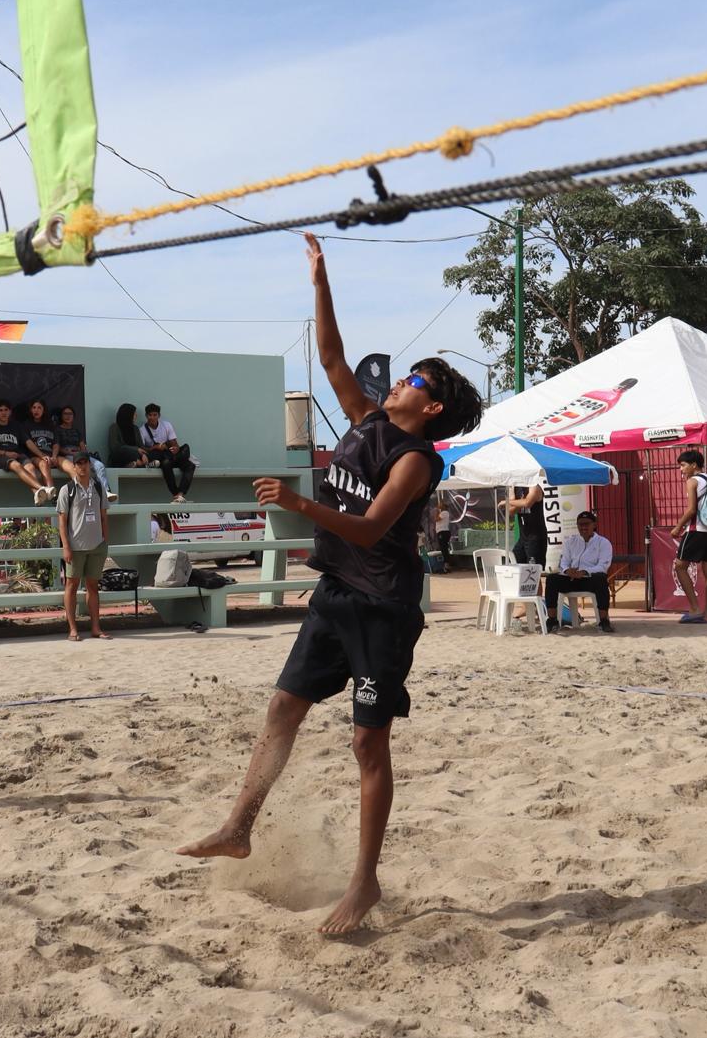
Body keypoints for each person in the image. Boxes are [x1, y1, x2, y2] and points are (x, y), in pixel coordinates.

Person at [177, 233, 482, 936]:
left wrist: (296, 502)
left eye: (418, 381)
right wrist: (320, 277)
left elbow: (372, 528)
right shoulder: (368, 419)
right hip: (337, 593)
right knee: (283, 709)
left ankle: (365, 881)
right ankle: (237, 825)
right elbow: (332, 357)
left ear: (432, 407)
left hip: (383, 608)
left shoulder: (417, 460)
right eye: (408, 375)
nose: (403, 382)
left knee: (367, 746)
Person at [56, 454, 111, 642]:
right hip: (75, 546)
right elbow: (62, 523)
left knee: (93, 586)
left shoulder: (98, 486)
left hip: (97, 545)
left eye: (85, 463)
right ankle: (72, 629)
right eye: (79, 463)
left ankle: (96, 628)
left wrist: (105, 541)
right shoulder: (67, 490)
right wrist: (66, 547)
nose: (83, 467)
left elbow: (104, 515)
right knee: (71, 586)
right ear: (74, 466)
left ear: (89, 465)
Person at [668, 449, 707, 624]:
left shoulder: (692, 481)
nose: (681, 469)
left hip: (696, 529)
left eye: (682, 465)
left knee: (680, 566)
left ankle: (694, 608)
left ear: (693, 465)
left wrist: (677, 527)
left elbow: (691, 510)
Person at [543, 510, 614, 633]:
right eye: (580, 524)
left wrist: (585, 571)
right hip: (571, 578)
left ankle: (603, 621)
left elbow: (603, 566)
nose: (583, 527)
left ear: (594, 525)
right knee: (552, 579)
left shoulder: (603, 543)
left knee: (601, 579)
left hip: (590, 579)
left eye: (586, 524)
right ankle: (552, 620)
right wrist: (567, 570)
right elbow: (564, 561)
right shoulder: (571, 542)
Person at [0, 399, 54, 504]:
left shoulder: (16, 425)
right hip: (0, 457)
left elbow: (28, 442)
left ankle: (37, 495)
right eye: (0, 410)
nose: (3, 412)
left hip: (17, 454)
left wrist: (41, 455)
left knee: (30, 467)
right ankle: (43, 489)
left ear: (10, 412)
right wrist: (5, 453)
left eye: (6, 410)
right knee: (16, 465)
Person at [54, 404, 117, 501]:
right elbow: (57, 446)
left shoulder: (77, 431)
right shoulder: (57, 430)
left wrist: (84, 455)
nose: (68, 416)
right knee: (81, 466)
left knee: (99, 465)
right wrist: (68, 452)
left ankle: (106, 491)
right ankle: (85, 492)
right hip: (66, 455)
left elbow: (83, 446)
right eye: (65, 414)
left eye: (70, 414)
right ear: (61, 416)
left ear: (74, 416)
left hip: (79, 453)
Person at [140, 403, 196, 501]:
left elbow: (175, 443)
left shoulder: (166, 425)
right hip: (160, 458)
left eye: (155, 415)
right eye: (150, 415)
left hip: (171, 455)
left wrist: (175, 448)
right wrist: (155, 447)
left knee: (190, 464)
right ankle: (176, 494)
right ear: (146, 416)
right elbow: (142, 449)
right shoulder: (142, 430)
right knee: (166, 464)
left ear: (159, 415)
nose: (152, 418)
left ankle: (180, 493)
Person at [21, 398, 59, 492]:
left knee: (67, 463)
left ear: (44, 410)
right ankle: (51, 492)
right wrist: (42, 456)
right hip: (35, 457)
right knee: (44, 463)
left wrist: (54, 456)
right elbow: (29, 443)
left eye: (39, 408)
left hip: (51, 456)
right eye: (34, 407)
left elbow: (56, 443)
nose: (36, 410)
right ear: (30, 410)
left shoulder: (50, 425)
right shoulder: (26, 424)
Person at [504, 484, 547, 565]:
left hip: (536, 537)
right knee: (513, 563)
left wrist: (509, 502)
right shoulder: (515, 487)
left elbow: (527, 503)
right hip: (523, 537)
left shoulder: (534, 486)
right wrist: (519, 502)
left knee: (533, 572)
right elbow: (510, 511)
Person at [108, 403, 151, 469]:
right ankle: (142, 464)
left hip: (136, 456)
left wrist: (143, 454)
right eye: (134, 414)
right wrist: (136, 449)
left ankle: (136, 463)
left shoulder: (135, 428)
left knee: (152, 454)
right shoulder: (114, 427)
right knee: (125, 452)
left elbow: (141, 446)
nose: (136, 415)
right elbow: (115, 447)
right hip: (120, 457)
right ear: (127, 414)